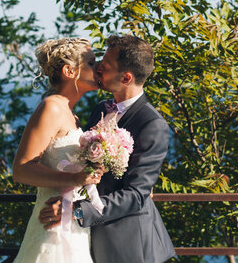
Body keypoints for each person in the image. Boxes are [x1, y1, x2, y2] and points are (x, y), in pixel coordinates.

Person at [38, 34, 176, 263]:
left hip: (128, 243)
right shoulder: (102, 107)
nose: (98, 68)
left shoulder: (152, 124)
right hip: (88, 238)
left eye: (105, 65)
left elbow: (136, 195)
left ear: (126, 77)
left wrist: (75, 210)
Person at [12, 37, 105, 263]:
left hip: (73, 223)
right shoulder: (51, 107)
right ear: (69, 71)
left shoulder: (70, 113)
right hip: (52, 226)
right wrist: (75, 178)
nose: (99, 67)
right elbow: (21, 169)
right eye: (91, 63)